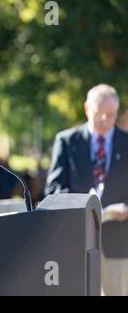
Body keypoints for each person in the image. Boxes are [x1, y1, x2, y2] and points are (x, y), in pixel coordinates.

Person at [45, 84, 128, 295]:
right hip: (77, 240)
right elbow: (53, 190)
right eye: (98, 113)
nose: (104, 120)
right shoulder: (66, 141)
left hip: (118, 242)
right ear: (86, 109)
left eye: (110, 115)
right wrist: (80, 202)